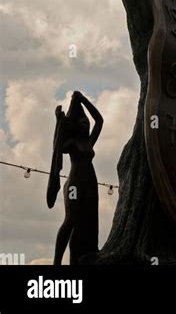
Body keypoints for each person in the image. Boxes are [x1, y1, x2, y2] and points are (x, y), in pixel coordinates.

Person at [47, 91, 103, 265]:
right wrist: (59, 122)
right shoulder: (72, 143)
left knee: (91, 219)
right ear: (76, 126)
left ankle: (88, 253)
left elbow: (100, 120)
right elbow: (57, 146)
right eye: (82, 122)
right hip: (74, 185)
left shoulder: (89, 142)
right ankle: (57, 261)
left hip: (91, 182)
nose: (86, 124)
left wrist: (82, 99)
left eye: (86, 121)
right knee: (71, 219)